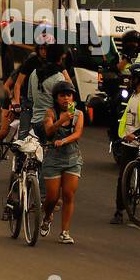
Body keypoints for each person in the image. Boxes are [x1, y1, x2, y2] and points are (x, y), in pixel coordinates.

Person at [111, 63, 140, 225]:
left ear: (139, 79)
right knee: (123, 176)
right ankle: (119, 211)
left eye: (132, 77)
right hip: (128, 143)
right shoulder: (132, 94)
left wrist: (136, 134)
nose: (129, 80)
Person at [40, 81, 83, 244]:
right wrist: (61, 120)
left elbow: (78, 133)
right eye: (62, 95)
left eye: (69, 95)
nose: (66, 98)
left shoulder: (78, 114)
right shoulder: (50, 113)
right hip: (53, 158)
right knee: (52, 197)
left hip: (72, 158)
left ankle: (65, 231)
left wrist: (64, 140)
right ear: (56, 98)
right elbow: (49, 131)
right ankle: (47, 216)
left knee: (68, 194)